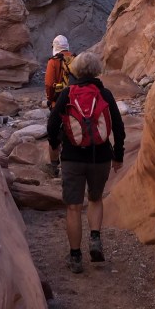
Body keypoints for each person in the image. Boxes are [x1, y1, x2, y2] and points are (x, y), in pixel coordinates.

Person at [47, 51, 125, 274]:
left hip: (72, 157)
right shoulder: (105, 94)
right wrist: (118, 155)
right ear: (97, 70)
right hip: (100, 157)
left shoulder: (68, 93)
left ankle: (75, 257)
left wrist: (55, 144)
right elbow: (118, 127)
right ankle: (95, 239)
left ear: (76, 70)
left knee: (73, 207)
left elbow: (52, 124)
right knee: (95, 198)